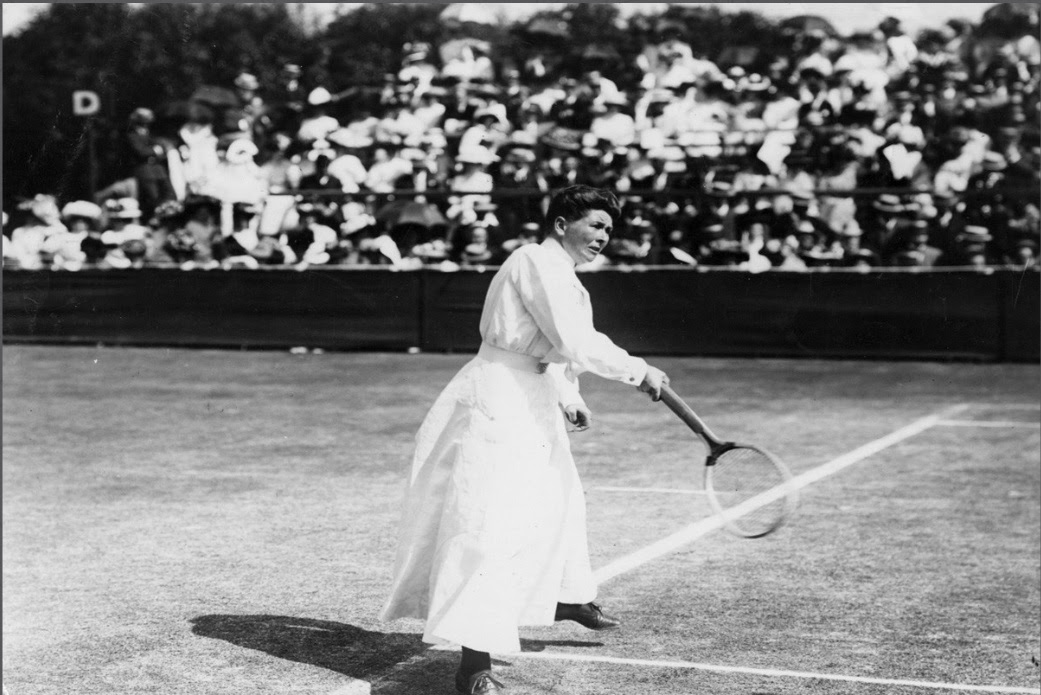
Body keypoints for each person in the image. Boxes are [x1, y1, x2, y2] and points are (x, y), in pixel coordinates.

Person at [380, 185, 670, 695]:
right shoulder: (536, 261)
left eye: (608, 229)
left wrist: (564, 391)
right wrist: (638, 370)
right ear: (562, 224)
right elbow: (573, 340)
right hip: (496, 399)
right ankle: (474, 665)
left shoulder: (563, 274)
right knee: (487, 525)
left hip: (530, 394)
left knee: (559, 503)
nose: (604, 237)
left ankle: (563, 597)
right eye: (595, 226)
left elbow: (551, 349)